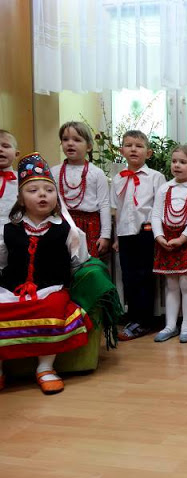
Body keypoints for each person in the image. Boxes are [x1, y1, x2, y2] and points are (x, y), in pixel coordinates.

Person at [0, 153, 91, 394]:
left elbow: (79, 261)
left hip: (50, 288)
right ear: (21, 200)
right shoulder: (8, 230)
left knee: (51, 309)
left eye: (49, 190)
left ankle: (45, 367)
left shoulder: (68, 230)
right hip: (11, 289)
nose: (43, 195)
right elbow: (2, 262)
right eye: (33, 190)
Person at [111, 130, 166, 341]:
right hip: (125, 234)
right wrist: (116, 238)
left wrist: (155, 229)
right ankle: (133, 318)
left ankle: (144, 321)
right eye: (129, 145)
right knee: (129, 277)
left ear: (148, 153)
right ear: (121, 151)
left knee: (144, 277)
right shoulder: (118, 179)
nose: (133, 149)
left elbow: (160, 206)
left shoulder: (156, 177)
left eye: (139, 146)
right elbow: (117, 209)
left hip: (146, 232)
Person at [151, 144, 187, 343]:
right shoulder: (165, 188)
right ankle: (170, 325)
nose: (177, 165)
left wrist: (183, 238)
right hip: (166, 240)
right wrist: (158, 236)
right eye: (174, 161)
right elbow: (156, 214)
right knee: (171, 284)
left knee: (186, 283)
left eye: (183, 162)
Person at [51, 121, 111, 257]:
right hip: (62, 224)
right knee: (62, 261)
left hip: (90, 226)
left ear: (89, 147)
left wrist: (105, 235)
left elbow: (104, 204)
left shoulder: (97, 173)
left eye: (77, 140)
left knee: (88, 264)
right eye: (65, 139)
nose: (70, 143)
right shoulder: (54, 172)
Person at [0, 130, 20, 226]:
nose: (0, 149)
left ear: (16, 154)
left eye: (6, 146)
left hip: (16, 229)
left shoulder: (23, 180)